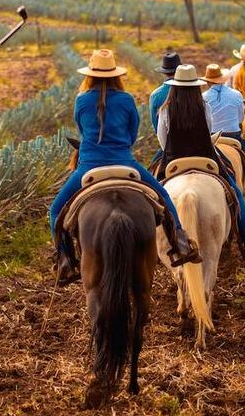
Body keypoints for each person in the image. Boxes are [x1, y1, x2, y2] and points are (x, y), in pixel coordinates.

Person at [49, 49, 201, 285]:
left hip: (88, 166)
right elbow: (132, 134)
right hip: (124, 161)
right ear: (115, 74)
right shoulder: (126, 99)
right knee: (163, 197)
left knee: (56, 210)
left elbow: (81, 130)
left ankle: (65, 260)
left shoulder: (82, 99)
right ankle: (180, 244)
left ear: (90, 74)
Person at [156, 64, 245, 260]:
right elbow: (209, 132)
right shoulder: (203, 106)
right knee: (234, 190)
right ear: (196, 86)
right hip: (205, 157)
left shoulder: (166, 109)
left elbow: (162, 140)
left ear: (174, 87)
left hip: (174, 160)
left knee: (153, 193)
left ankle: (153, 241)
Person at [202, 63, 245, 194]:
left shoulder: (203, 97)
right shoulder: (236, 94)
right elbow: (240, 118)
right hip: (233, 137)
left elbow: (204, 122)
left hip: (212, 138)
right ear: (222, 79)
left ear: (207, 81)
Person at [149, 51, 182, 132]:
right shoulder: (191, 92)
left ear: (164, 73)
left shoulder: (155, 95)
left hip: (166, 140)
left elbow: (155, 124)